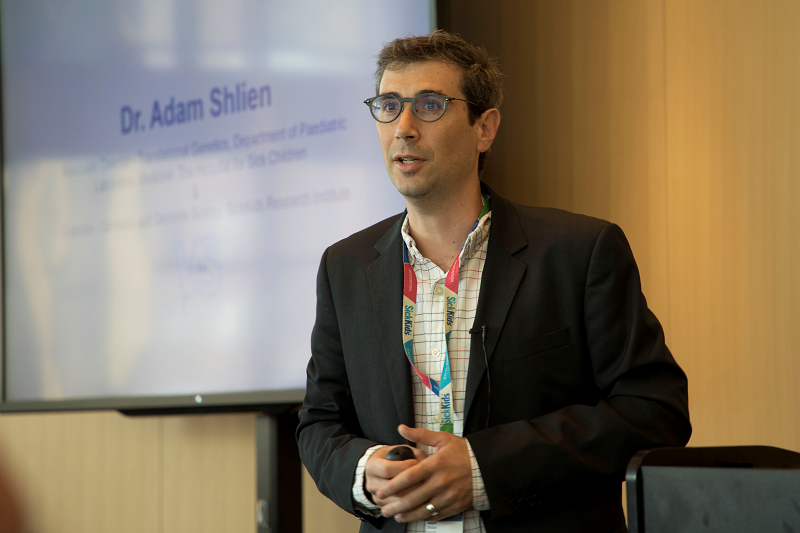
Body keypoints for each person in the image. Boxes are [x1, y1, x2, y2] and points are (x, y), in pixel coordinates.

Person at [296, 31, 690, 533]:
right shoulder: (344, 267)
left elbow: (654, 411)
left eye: (431, 105)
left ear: (485, 129)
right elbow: (320, 423)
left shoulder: (578, 252)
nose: (404, 128)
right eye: (389, 106)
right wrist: (363, 472)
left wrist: (485, 468)